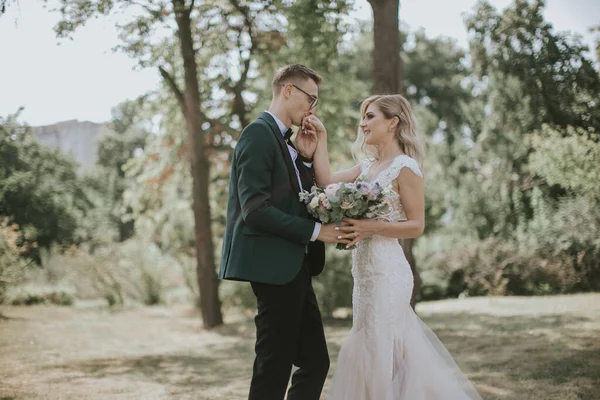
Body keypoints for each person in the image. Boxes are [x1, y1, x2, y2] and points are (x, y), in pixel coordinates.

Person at [302, 94, 482, 399]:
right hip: (364, 275)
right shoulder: (368, 166)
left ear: (393, 122)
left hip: (388, 272)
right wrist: (322, 137)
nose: (363, 123)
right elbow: (326, 180)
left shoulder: (405, 167)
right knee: (370, 346)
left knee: (381, 346)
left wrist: (372, 227)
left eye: (370, 116)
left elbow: (417, 225)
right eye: (363, 117)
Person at [218, 64, 349, 400]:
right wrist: (317, 231)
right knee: (273, 366)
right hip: (272, 267)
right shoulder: (257, 133)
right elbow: (255, 210)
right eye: (311, 99)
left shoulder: (283, 140)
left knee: (315, 362)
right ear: (288, 90)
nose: (312, 109)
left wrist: (305, 161)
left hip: (294, 266)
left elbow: (289, 199)